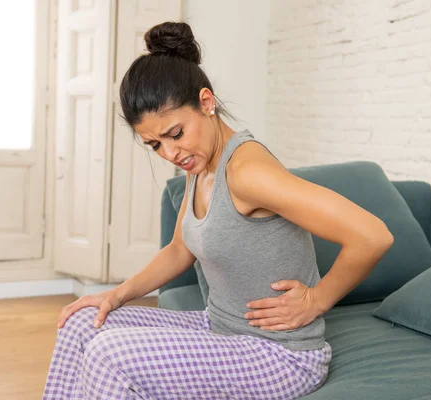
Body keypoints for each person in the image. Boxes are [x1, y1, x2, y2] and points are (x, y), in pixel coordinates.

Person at [43, 21, 394, 400]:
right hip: (220, 331)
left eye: (175, 134)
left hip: (277, 357)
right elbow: (180, 248)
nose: (170, 153)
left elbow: (372, 234)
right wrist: (115, 295)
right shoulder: (199, 164)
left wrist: (317, 299)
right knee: (82, 324)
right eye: (154, 144)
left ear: (206, 103)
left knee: (111, 355)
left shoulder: (247, 172)